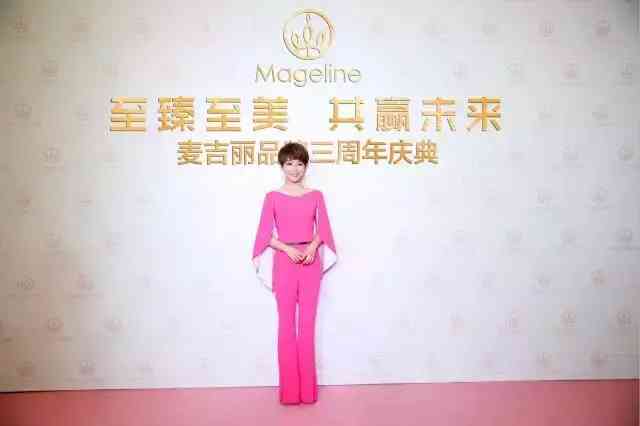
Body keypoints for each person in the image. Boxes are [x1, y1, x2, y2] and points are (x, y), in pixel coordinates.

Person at [251, 142, 337, 405]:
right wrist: (288, 249)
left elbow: (323, 229)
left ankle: (308, 393)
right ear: (282, 166)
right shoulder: (272, 197)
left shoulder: (316, 195)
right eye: (289, 163)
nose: (295, 169)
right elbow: (264, 234)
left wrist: (312, 247)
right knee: (286, 325)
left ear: (306, 166)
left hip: (310, 262)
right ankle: (289, 393)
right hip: (285, 262)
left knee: (307, 325)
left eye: (300, 163)